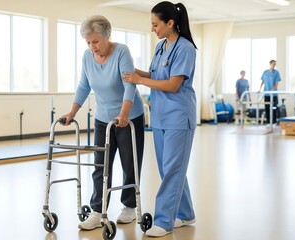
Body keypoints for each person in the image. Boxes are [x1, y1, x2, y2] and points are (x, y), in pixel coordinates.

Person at [60, 15, 145, 231]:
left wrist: (124, 113)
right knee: (100, 165)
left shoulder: (122, 52)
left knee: (129, 164)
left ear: (107, 36)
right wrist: (72, 112)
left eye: (95, 41)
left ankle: (129, 205)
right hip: (102, 118)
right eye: (88, 42)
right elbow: (83, 85)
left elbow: (130, 85)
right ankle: (97, 211)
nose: (92, 47)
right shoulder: (87, 57)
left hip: (129, 117)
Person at [122, 1, 197, 237]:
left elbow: (173, 85)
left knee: (173, 169)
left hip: (178, 117)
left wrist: (139, 81)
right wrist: (132, 71)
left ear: (171, 23)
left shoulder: (185, 48)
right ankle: (186, 214)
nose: (153, 29)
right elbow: (155, 74)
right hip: (160, 117)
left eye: (155, 24)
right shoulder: (161, 46)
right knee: (169, 170)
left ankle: (165, 221)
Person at [259, 59, 281, 124]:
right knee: (267, 108)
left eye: (275, 64)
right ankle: (268, 122)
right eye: (273, 64)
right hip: (266, 94)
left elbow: (277, 83)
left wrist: (273, 90)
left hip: (274, 94)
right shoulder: (265, 72)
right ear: (270, 64)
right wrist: (259, 89)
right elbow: (262, 81)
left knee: (274, 108)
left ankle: (274, 122)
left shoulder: (276, 72)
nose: (274, 65)